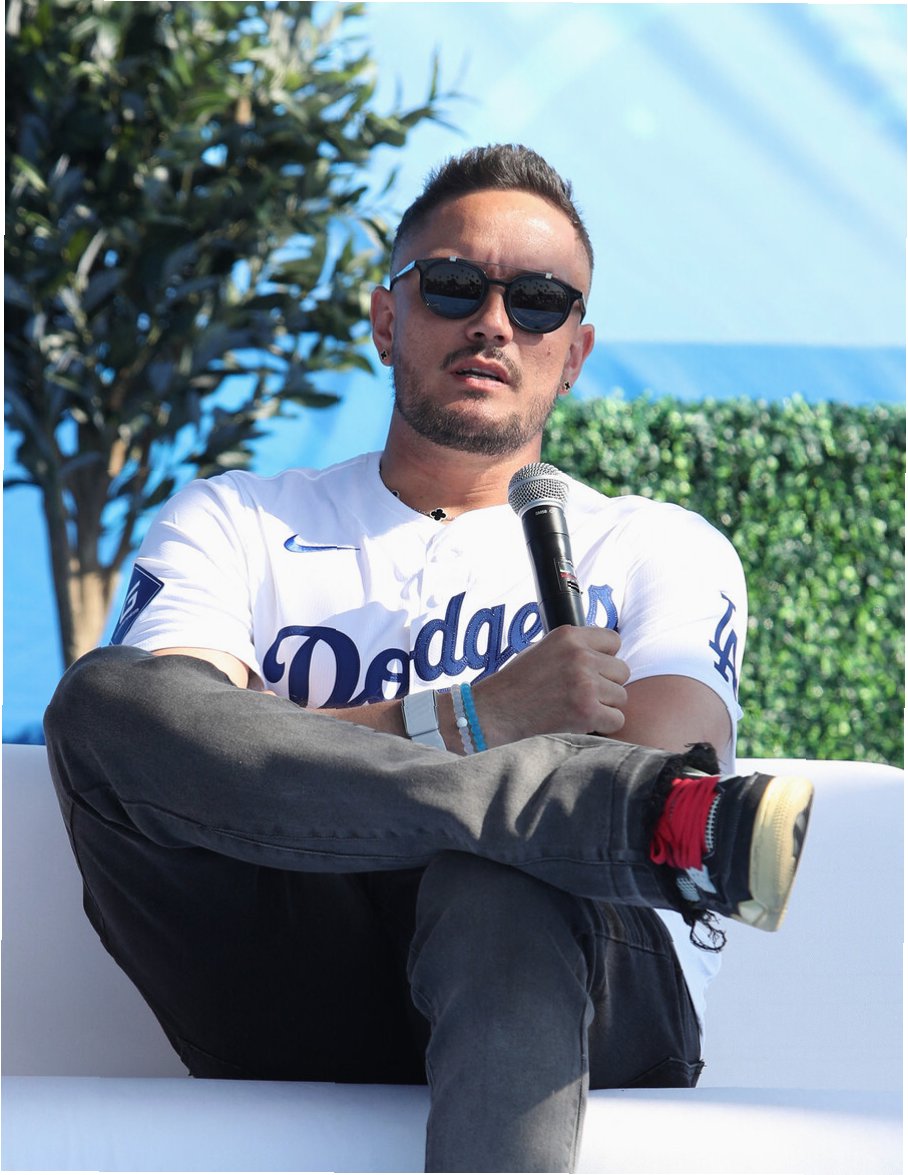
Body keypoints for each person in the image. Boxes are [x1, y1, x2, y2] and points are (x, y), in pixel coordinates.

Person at [43, 143, 813, 1173]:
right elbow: (170, 751)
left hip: (587, 988)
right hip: (296, 977)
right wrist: (476, 719)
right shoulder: (235, 518)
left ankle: (528, 823)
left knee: (500, 875)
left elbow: (671, 786)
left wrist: (342, 749)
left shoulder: (656, 543)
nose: (493, 322)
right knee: (101, 701)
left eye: (537, 301)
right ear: (385, 319)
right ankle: (535, 808)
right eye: (453, 286)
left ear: (574, 352)